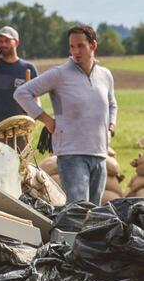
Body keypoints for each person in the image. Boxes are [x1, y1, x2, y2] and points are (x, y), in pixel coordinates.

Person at [14, 25, 117, 205]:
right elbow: (22, 93)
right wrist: (47, 120)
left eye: (80, 46)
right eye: (72, 47)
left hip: (99, 152)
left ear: (93, 46)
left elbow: (112, 104)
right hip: (71, 153)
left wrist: (111, 129)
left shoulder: (105, 75)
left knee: (94, 214)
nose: (75, 51)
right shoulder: (60, 74)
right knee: (78, 209)